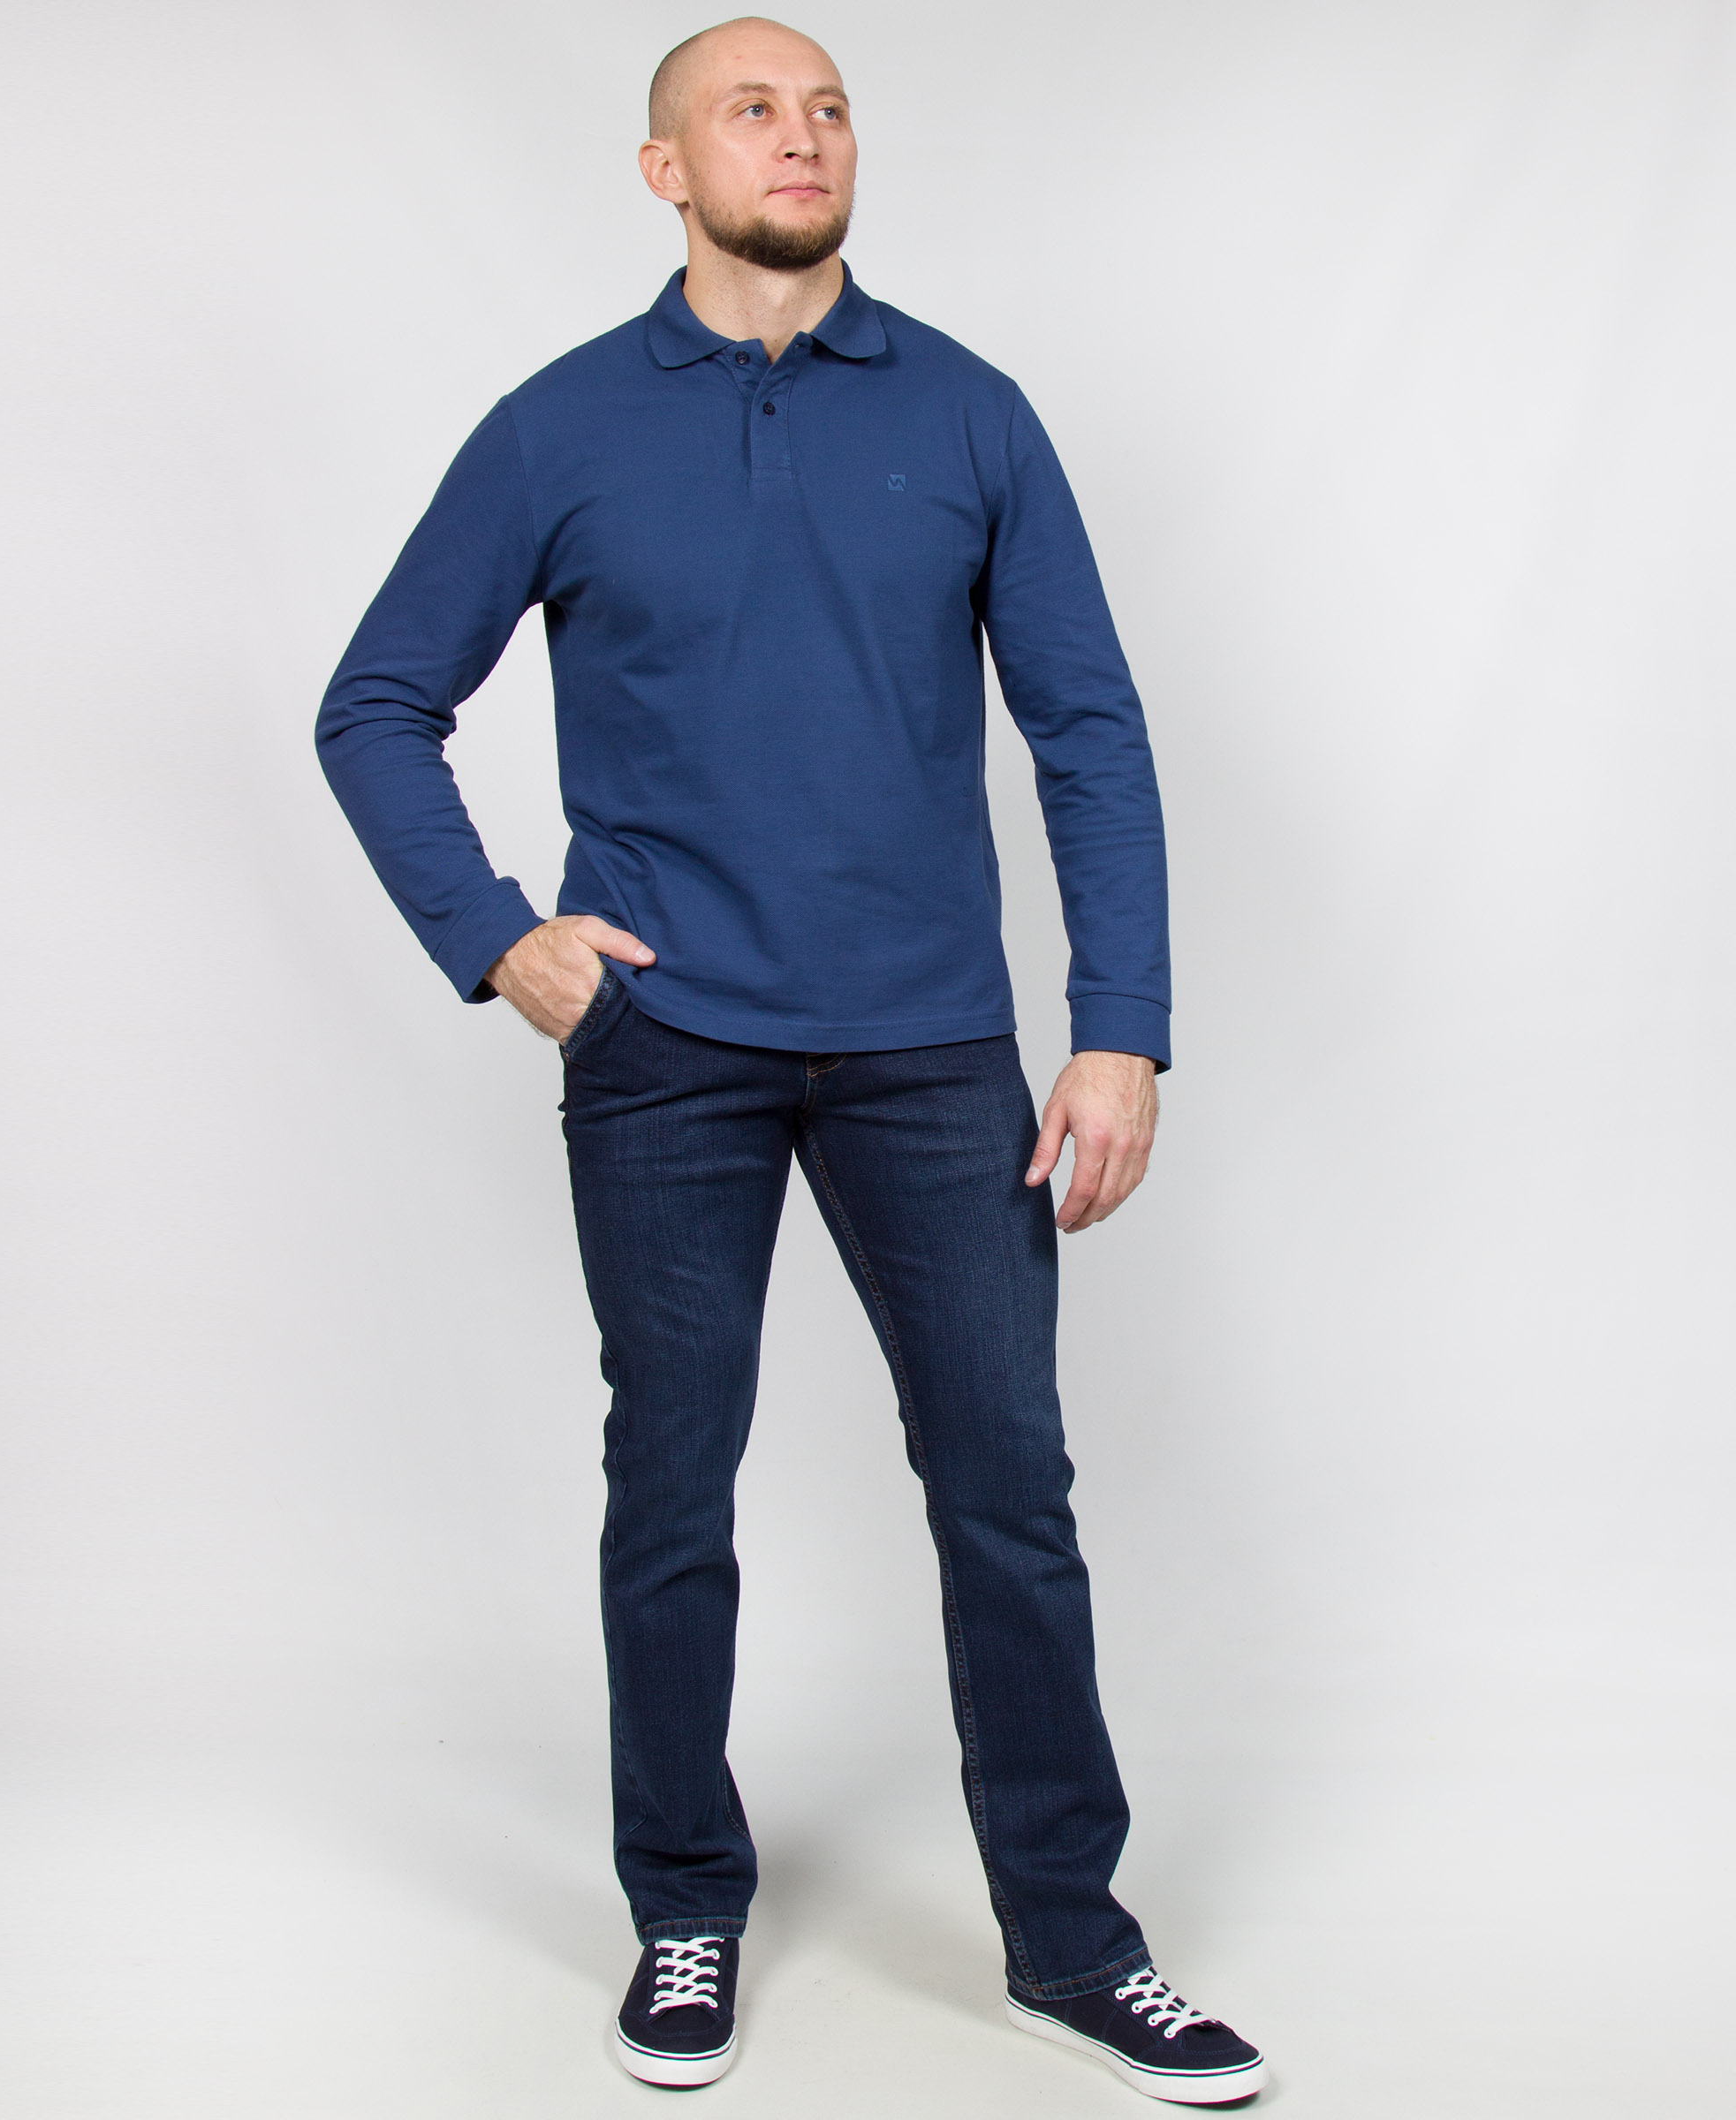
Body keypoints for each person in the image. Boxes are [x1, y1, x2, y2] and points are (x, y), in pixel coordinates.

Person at [315, 15, 1265, 2104]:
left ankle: (1074, 1940)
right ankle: (683, 1907)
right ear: (666, 169)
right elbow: (374, 703)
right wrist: (500, 941)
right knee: (670, 1490)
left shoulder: (970, 412)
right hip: (665, 1044)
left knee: (1008, 1493)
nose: (802, 133)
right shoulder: (558, 428)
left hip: (932, 1049)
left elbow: (1088, 731)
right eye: (750, 108)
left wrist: (1120, 1030)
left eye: (827, 106)